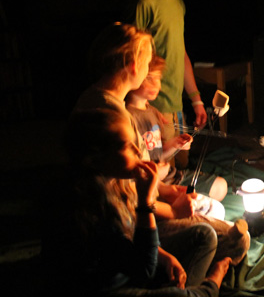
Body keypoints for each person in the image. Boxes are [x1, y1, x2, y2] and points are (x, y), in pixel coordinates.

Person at [42, 108, 232, 297]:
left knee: (204, 234)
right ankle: (210, 287)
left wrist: (165, 258)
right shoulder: (89, 207)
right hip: (108, 288)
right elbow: (143, 268)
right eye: (125, 145)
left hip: (129, 266)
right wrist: (146, 202)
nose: (136, 150)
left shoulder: (117, 183)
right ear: (95, 158)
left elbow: (135, 238)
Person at [72, 22, 198, 221]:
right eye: (147, 64)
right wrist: (174, 212)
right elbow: (127, 198)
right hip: (130, 218)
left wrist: (164, 189)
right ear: (134, 66)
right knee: (213, 236)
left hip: (140, 203)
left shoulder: (92, 97)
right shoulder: (115, 117)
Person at [132, 0, 208, 170]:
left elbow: (180, 51)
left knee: (182, 166)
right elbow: (131, 58)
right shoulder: (144, 1)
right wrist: (145, 110)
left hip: (176, 108)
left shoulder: (176, 3)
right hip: (154, 109)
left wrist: (195, 99)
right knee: (159, 169)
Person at [126, 54, 228, 216]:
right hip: (153, 189)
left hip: (172, 178)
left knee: (221, 186)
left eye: (158, 78)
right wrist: (156, 177)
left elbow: (159, 154)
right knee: (214, 211)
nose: (156, 84)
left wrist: (175, 144)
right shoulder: (126, 118)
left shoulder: (152, 112)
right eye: (149, 79)